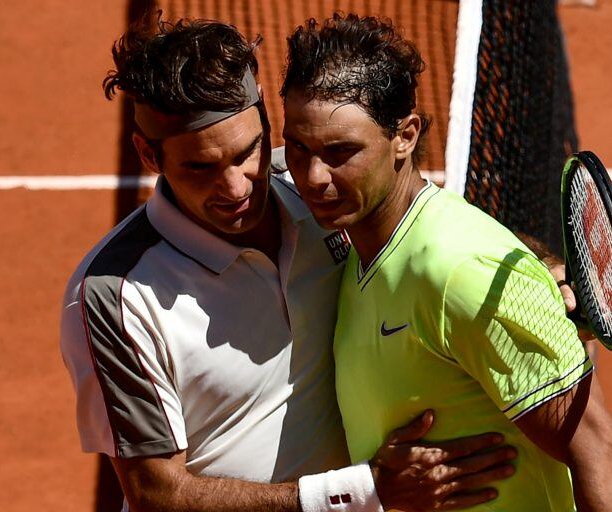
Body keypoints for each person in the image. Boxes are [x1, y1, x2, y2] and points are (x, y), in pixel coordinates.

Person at [60, 15, 521, 512]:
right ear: (148, 154)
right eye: (201, 167)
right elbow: (157, 493)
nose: (236, 188)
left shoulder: (314, 190)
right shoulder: (114, 295)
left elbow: (428, 227)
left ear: (266, 120)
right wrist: (363, 492)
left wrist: (529, 269)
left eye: (248, 151)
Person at [280, 13, 612, 511]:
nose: (313, 176)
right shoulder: (359, 247)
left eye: (341, 151)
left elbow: (607, 456)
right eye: (298, 148)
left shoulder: (459, 273)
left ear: (405, 136)